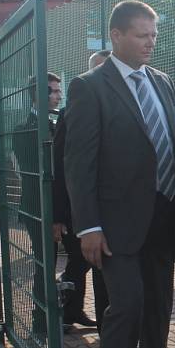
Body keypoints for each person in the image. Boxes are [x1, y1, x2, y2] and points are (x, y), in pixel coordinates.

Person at [64, 0, 175, 348]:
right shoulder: (90, 87)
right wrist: (87, 225)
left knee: (159, 317)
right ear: (115, 36)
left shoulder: (164, 83)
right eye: (140, 34)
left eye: (153, 34)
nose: (150, 42)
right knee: (126, 311)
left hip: (164, 222)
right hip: (115, 228)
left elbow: (173, 143)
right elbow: (80, 162)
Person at [51, 55, 110, 332]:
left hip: (116, 211)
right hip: (83, 211)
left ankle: (80, 314)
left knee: (98, 271)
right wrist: (59, 214)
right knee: (84, 264)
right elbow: (65, 167)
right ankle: (69, 310)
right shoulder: (71, 110)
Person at [13, 72, 62, 338]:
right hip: (38, 209)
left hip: (62, 209)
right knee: (45, 264)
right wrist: (51, 217)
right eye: (53, 91)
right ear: (37, 95)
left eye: (58, 90)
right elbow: (36, 176)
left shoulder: (59, 123)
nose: (59, 95)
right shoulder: (25, 129)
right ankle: (40, 322)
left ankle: (69, 311)